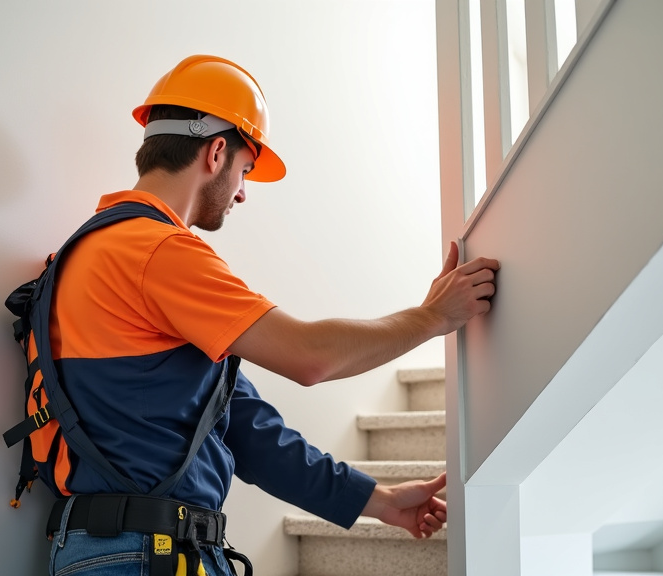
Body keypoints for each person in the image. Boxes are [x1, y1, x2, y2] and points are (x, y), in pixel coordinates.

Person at [44, 55, 500, 576]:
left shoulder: (88, 255)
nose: (241, 192)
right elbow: (310, 357)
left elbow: (253, 435)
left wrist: (380, 500)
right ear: (216, 152)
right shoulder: (154, 252)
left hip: (122, 550)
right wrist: (432, 318)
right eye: (245, 170)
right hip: (147, 554)